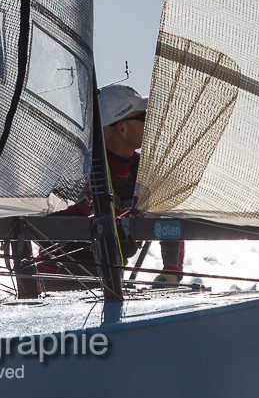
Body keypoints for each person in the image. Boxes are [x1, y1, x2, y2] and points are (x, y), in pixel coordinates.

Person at [28, 84, 184, 290]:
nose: (151, 125)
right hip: (57, 288)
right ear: (122, 128)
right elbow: (38, 223)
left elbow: (168, 216)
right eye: (144, 118)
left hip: (110, 286)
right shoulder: (78, 172)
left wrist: (171, 269)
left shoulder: (146, 172)